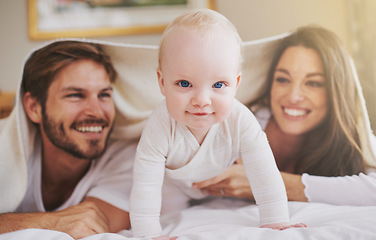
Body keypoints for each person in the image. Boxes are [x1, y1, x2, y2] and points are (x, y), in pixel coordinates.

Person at [130, 9, 306, 240]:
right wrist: (147, 234)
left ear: (236, 83)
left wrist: (275, 219)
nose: (201, 100)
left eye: (219, 85)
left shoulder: (241, 120)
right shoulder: (161, 125)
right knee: (163, 209)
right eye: (185, 83)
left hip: (221, 186)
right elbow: (146, 185)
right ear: (162, 83)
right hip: (172, 187)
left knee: (234, 204)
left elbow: (263, 172)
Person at [193, 25, 376, 206]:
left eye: (313, 83)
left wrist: (268, 182)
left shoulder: (349, 142)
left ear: (336, 93)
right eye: (283, 79)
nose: (293, 96)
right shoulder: (236, 125)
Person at [0, 41, 136, 239]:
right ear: (34, 108)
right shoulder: (5, 149)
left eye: (104, 95)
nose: (97, 111)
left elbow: (91, 228)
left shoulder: (126, 159)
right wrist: (48, 222)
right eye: (75, 95)